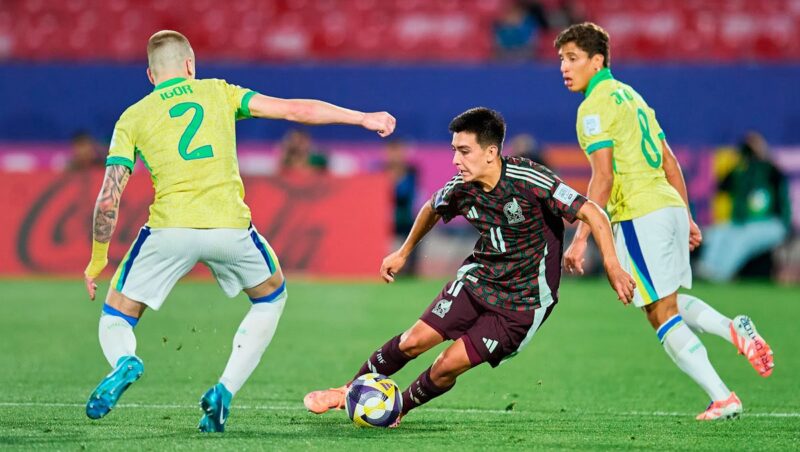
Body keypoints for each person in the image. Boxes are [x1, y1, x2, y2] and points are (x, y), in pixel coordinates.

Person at [82, 30, 396, 433]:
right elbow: (295, 111)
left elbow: (109, 198)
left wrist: (97, 259)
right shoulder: (219, 92)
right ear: (190, 65)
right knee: (271, 298)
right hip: (230, 228)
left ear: (150, 74)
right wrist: (362, 117)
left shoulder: (133, 117)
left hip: (169, 229)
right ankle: (224, 392)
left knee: (116, 317)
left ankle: (126, 361)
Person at [303, 107, 635, 427]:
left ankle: (396, 408)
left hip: (522, 304)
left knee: (446, 365)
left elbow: (592, 211)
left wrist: (612, 264)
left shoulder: (529, 179)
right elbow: (432, 207)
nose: (455, 160)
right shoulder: (462, 187)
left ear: (491, 153)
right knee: (412, 341)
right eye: (454, 150)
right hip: (478, 280)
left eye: (464, 151)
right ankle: (347, 390)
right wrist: (403, 252)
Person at [555, 23, 774, 421]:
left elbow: (603, 178)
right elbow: (670, 162)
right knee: (662, 301)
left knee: (660, 312)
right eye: (561, 60)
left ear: (597, 60)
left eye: (573, 58)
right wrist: (686, 217)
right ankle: (732, 331)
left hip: (640, 212)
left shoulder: (592, 108)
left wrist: (582, 235)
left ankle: (722, 395)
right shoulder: (633, 97)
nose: (564, 68)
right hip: (667, 205)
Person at [697, 131, 792, 281]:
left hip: (772, 223)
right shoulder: (741, 171)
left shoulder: (771, 171)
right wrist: (739, 160)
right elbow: (723, 185)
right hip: (745, 223)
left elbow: (778, 181)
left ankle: (721, 274)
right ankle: (706, 269)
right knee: (718, 233)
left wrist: (762, 152)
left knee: (740, 239)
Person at [385, 139, 419, 275]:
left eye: (398, 151)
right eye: (392, 151)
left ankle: (409, 270)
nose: (395, 156)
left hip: (405, 218)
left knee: (417, 232)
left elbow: (406, 194)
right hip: (385, 218)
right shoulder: (381, 171)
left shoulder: (411, 172)